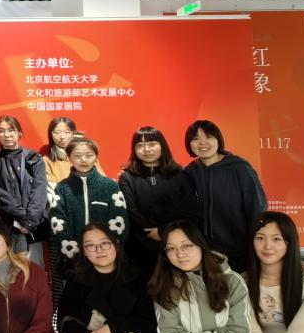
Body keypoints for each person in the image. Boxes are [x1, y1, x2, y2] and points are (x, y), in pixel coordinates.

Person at [49, 137, 128, 318]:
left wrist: (105, 252)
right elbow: (57, 223)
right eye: (77, 156)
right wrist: (76, 254)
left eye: (88, 155)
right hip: (74, 263)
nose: (83, 160)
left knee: (110, 307)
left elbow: (120, 222)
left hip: (107, 262)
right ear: (69, 158)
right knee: (78, 310)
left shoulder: (110, 186)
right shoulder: (62, 189)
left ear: (96, 157)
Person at [183, 119, 267, 270]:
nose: (202, 143)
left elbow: (257, 207)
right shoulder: (190, 171)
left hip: (240, 248)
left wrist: (256, 243)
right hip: (206, 250)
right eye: (195, 139)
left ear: (218, 140)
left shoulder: (239, 168)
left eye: (208, 137)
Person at [116, 126, 199, 279]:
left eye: (152, 144)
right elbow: (131, 212)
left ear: (162, 146)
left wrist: (163, 232)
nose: (146, 149)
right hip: (140, 246)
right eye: (140, 145)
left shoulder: (179, 174)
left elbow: (188, 208)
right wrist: (152, 233)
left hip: (177, 244)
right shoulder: (127, 177)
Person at [0, 115, 49, 261]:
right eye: (2, 131)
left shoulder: (34, 158)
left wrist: (30, 221)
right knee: (6, 269)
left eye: (11, 130)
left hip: (32, 227)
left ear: (19, 133)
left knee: (33, 268)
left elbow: (39, 191)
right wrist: (23, 215)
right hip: (4, 226)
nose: (6, 134)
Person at [42, 116, 80, 192]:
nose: (62, 136)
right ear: (51, 134)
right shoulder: (46, 161)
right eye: (57, 132)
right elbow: (53, 190)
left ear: (73, 133)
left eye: (67, 132)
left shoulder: (86, 156)